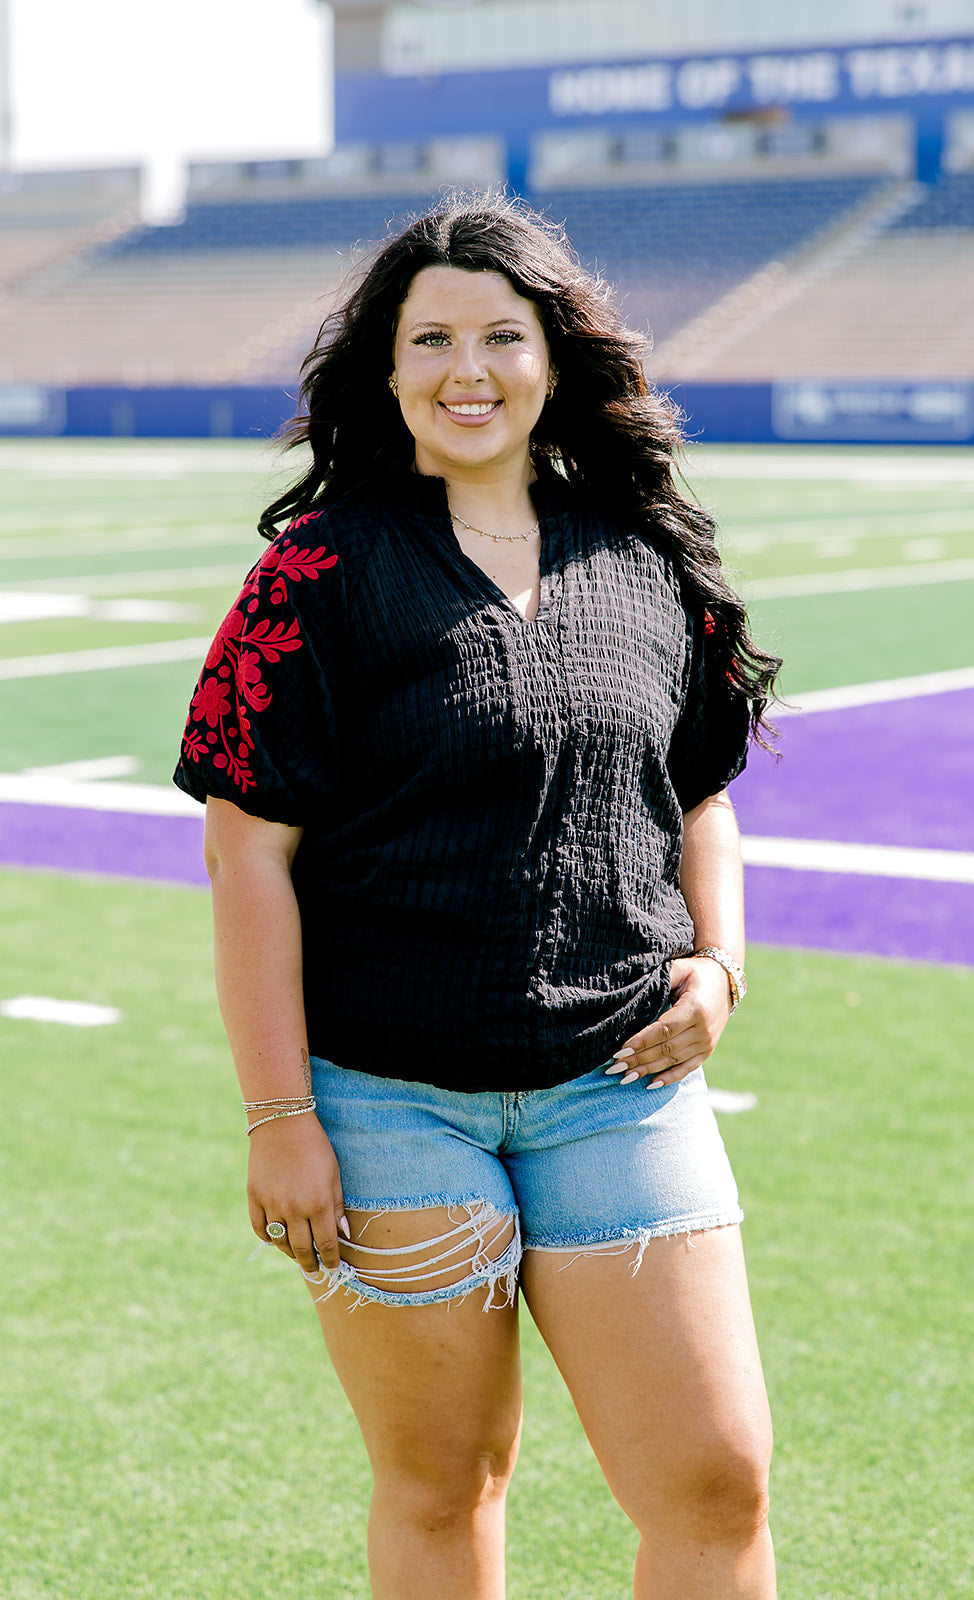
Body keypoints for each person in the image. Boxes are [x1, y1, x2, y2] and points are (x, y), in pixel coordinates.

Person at [175, 193, 782, 1600]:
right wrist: (281, 1122)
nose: (469, 368)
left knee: (715, 1478)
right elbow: (243, 852)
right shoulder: (314, 576)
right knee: (448, 1484)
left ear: (552, 356)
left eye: (501, 335)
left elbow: (702, 798)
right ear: (385, 372)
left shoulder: (647, 557)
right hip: (389, 1103)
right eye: (431, 337)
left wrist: (723, 963)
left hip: (616, 1083)